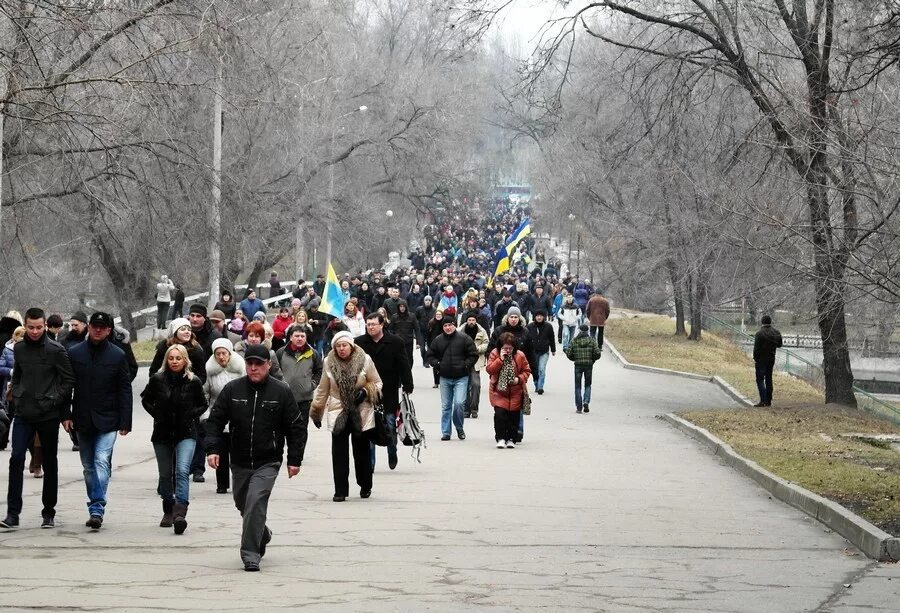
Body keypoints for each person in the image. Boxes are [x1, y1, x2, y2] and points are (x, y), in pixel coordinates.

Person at [206, 344, 308, 572]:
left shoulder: (281, 391)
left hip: (268, 460)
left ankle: (251, 554)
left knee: (255, 502)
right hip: (239, 460)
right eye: (249, 364)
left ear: (268, 365)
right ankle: (262, 532)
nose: (253, 368)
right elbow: (214, 422)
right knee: (243, 504)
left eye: (258, 364)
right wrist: (212, 449)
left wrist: (294, 459)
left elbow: (296, 427)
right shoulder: (233, 390)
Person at [1, 308, 75, 530]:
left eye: (39, 327)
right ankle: (12, 514)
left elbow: (68, 379)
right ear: (24, 324)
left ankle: (48, 512)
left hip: (48, 414)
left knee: (49, 461)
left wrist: (54, 401)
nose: (34, 331)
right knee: (16, 460)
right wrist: (18, 393)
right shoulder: (20, 349)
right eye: (30, 327)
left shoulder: (56, 350)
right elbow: (18, 374)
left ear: (45, 326)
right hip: (24, 413)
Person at [68, 312, 132, 530]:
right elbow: (67, 386)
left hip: (108, 418)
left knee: (101, 460)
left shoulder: (117, 355)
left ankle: (97, 507)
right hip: (83, 418)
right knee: (88, 466)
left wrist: (125, 421)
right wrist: (65, 415)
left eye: (102, 327)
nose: (97, 330)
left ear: (109, 330)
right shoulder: (75, 353)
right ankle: (96, 499)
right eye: (94, 326)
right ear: (88, 327)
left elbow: (125, 389)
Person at [141, 344, 208, 534]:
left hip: (185, 432)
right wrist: (157, 414)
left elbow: (203, 404)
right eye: (171, 358)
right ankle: (168, 508)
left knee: (182, 471)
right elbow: (146, 399)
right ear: (166, 360)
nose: (175, 361)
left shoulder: (193, 381)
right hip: (162, 433)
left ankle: (180, 513)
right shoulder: (157, 379)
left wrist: (190, 415)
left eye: (179, 358)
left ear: (185, 360)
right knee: (165, 475)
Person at [311, 332, 382, 502]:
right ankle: (340, 490)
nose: (342, 349)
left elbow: (378, 383)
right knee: (339, 453)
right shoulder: (329, 362)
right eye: (338, 346)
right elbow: (323, 388)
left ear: (351, 346)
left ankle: (365, 485)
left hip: (361, 410)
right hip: (338, 410)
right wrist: (317, 411)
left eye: (345, 345)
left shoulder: (365, 359)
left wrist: (365, 392)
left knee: (361, 451)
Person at [355, 312, 413, 471]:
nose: (370, 327)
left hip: (389, 389)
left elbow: (403, 365)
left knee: (389, 424)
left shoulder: (395, 342)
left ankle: (392, 450)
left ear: (382, 325)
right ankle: (371, 461)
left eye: (373, 324)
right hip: (367, 391)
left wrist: (408, 385)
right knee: (369, 426)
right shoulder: (359, 343)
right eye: (368, 324)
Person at [203, 338, 246, 494]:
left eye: (224, 353)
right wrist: (206, 415)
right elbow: (205, 393)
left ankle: (239, 483)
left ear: (230, 353)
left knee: (237, 453)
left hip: (239, 415)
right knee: (220, 451)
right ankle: (222, 484)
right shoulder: (209, 371)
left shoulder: (240, 368)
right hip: (217, 414)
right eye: (218, 354)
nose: (221, 357)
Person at [425, 317, 478, 441]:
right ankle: (446, 432)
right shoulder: (438, 340)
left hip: (461, 377)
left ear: (454, 325)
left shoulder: (464, 338)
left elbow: (473, 354)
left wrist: (465, 365)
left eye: (450, 325)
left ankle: (459, 427)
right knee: (446, 406)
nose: (447, 328)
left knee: (459, 404)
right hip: (445, 377)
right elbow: (430, 354)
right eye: (445, 325)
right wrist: (437, 364)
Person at [486, 334, 532, 448]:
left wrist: (519, 379)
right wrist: (500, 359)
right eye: (505, 348)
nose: (507, 350)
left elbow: (526, 371)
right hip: (499, 391)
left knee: (514, 417)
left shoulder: (520, 355)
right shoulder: (494, 353)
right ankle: (501, 438)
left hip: (516, 391)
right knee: (500, 415)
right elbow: (490, 370)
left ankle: (511, 438)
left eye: (510, 348)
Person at [275, 327, 323, 431]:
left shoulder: (313, 353)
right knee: (282, 430)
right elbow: (274, 371)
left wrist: (312, 385)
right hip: (284, 400)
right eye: (297, 336)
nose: (300, 338)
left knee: (300, 431)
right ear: (291, 337)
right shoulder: (280, 353)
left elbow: (319, 370)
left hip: (304, 400)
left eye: (302, 336)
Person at [148, 318, 207, 383]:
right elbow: (153, 371)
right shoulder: (164, 346)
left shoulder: (196, 349)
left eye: (189, 330)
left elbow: (202, 375)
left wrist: (191, 386)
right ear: (175, 332)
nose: (187, 332)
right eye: (183, 329)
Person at [564, 324, 603, 413]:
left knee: (578, 386)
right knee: (588, 384)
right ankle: (586, 401)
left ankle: (579, 407)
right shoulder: (592, 341)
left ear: (579, 331)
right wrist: (592, 359)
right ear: (587, 331)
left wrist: (574, 358)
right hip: (589, 365)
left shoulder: (574, 341)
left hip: (578, 365)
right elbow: (598, 353)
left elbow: (569, 354)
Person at [460, 311, 489, 419]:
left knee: (476, 385)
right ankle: (466, 409)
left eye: (473, 320)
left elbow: (486, 343)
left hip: (476, 361)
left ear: (476, 321)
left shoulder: (481, 331)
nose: (471, 322)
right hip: (464, 361)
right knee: (465, 386)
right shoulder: (460, 330)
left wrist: (478, 349)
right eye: (469, 320)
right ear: (466, 321)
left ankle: (474, 409)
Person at [753, 315, 783, 407]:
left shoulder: (759, 333)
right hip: (771, 358)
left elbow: (756, 349)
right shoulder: (776, 332)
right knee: (769, 379)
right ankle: (769, 400)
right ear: (770, 322)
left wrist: (755, 358)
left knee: (760, 379)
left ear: (762, 322)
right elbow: (780, 345)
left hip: (761, 359)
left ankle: (763, 400)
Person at [526, 310, 556, 395]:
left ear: (543, 317)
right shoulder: (530, 326)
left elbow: (552, 338)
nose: (539, 317)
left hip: (544, 351)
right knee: (534, 370)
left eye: (541, 316)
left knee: (541, 369)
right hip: (533, 352)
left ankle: (540, 387)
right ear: (534, 317)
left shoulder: (548, 326)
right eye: (537, 316)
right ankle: (536, 384)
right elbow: (526, 339)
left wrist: (553, 349)